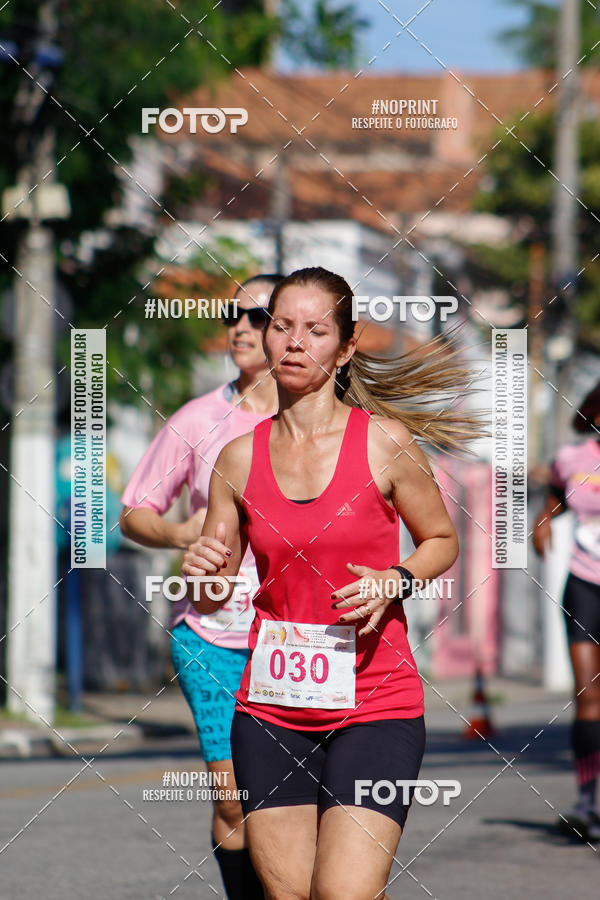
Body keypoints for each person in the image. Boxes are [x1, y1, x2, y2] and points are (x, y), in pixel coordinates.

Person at [182, 267, 484, 899]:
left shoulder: (385, 444)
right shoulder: (237, 458)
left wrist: (394, 581)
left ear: (345, 348)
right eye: (281, 326)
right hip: (272, 710)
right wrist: (203, 574)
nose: (294, 341)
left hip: (375, 706)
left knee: (343, 895)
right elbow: (216, 592)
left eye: (315, 330)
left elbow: (442, 541)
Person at [120, 273, 283, 900]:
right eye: (231, 314)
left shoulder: (331, 421)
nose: (239, 327)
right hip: (213, 637)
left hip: (302, 639)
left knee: (295, 803)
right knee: (235, 801)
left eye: (256, 315)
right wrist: (179, 532)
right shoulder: (198, 418)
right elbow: (134, 511)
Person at [533, 380, 600, 842]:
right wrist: (542, 520)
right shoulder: (572, 458)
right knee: (588, 695)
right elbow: (557, 493)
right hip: (584, 584)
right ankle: (588, 801)